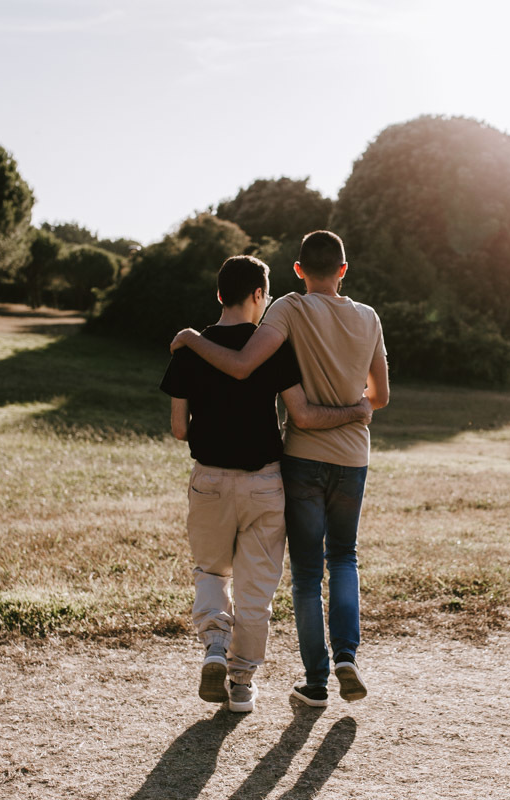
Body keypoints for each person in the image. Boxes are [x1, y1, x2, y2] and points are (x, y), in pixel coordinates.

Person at [170, 230, 389, 708]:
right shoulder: (365, 318)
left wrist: (190, 338)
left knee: (293, 573)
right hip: (335, 462)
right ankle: (329, 661)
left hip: (287, 461)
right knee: (339, 560)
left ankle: (289, 672)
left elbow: (235, 373)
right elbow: (376, 397)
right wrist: (355, 410)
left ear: (297, 270)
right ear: (344, 269)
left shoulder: (287, 310)